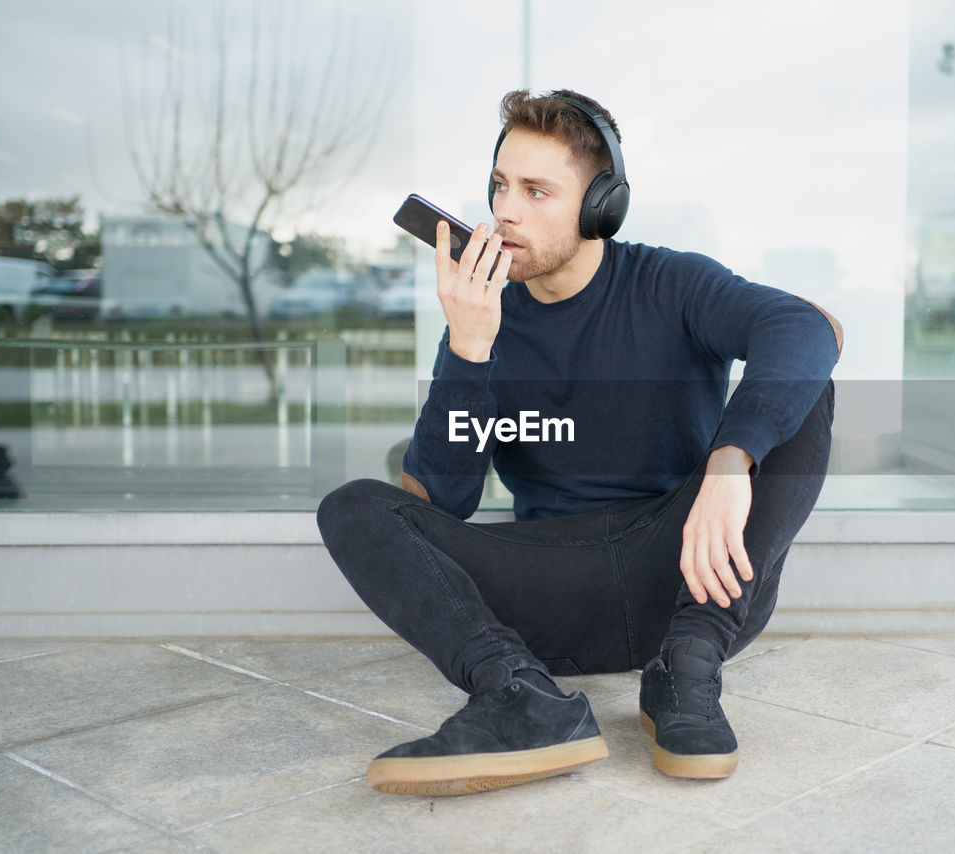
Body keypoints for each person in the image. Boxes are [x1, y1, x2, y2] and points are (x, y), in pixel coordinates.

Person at [317, 89, 842, 797]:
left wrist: (730, 460)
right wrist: (469, 352)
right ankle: (520, 696)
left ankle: (686, 673)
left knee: (807, 386)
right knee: (353, 506)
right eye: (501, 186)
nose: (506, 210)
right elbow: (440, 502)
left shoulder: (671, 282)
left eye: (537, 191)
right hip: (549, 587)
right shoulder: (481, 318)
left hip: (686, 576)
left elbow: (811, 329)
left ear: (602, 205)